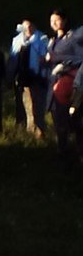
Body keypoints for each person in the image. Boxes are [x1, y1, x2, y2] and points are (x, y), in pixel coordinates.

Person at [45, 10, 83, 159]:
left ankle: (78, 153)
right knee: (58, 121)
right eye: (51, 20)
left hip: (71, 84)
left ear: (65, 20)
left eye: (57, 19)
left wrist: (65, 64)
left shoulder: (73, 37)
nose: (53, 23)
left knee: (76, 121)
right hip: (55, 84)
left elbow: (80, 58)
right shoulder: (53, 40)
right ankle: (62, 151)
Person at [8, 20, 49, 137]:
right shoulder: (17, 40)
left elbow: (46, 58)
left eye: (31, 26)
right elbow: (12, 59)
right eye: (25, 27)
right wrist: (10, 76)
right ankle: (25, 129)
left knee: (38, 105)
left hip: (38, 76)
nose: (28, 30)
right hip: (22, 77)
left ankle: (39, 129)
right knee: (23, 104)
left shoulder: (42, 39)